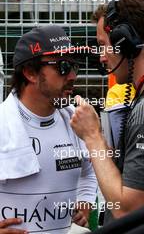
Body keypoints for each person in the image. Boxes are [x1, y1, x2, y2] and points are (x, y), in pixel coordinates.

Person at [70, 0, 144, 224]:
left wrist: (92, 136)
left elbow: (127, 210)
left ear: (125, 42)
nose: (102, 57)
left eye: (103, 44)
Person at [0, 25, 97, 234]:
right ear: (30, 73)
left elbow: (89, 171)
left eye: (74, 66)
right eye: (63, 66)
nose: (72, 76)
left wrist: (85, 200)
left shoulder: (76, 119)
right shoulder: (3, 123)